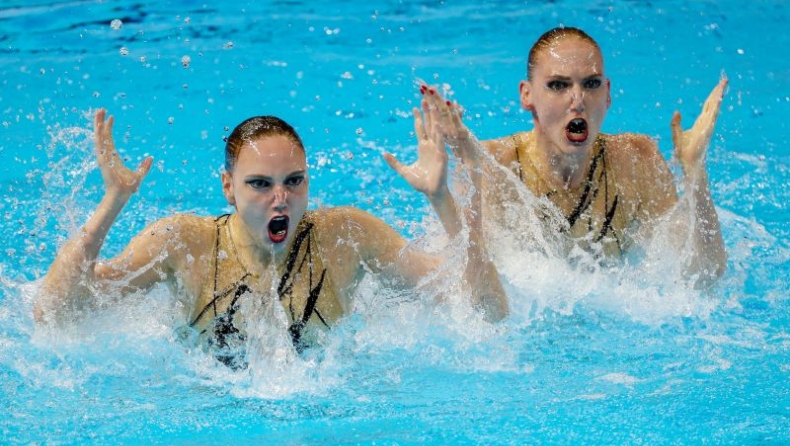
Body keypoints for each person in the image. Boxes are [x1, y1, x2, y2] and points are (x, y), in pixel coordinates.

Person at [34, 104, 508, 369]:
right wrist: (112, 203)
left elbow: (485, 312)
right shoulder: (183, 243)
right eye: (260, 184)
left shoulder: (345, 235)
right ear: (229, 189)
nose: (281, 199)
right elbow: (55, 314)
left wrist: (445, 198)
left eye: (294, 181)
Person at [420, 26, 727, 288]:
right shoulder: (490, 164)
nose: (577, 100)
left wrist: (696, 177)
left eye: (591, 84)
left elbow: (700, 279)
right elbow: (464, 285)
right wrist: (440, 196)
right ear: (527, 95)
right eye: (558, 85)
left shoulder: (637, 159)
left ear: (607, 94)